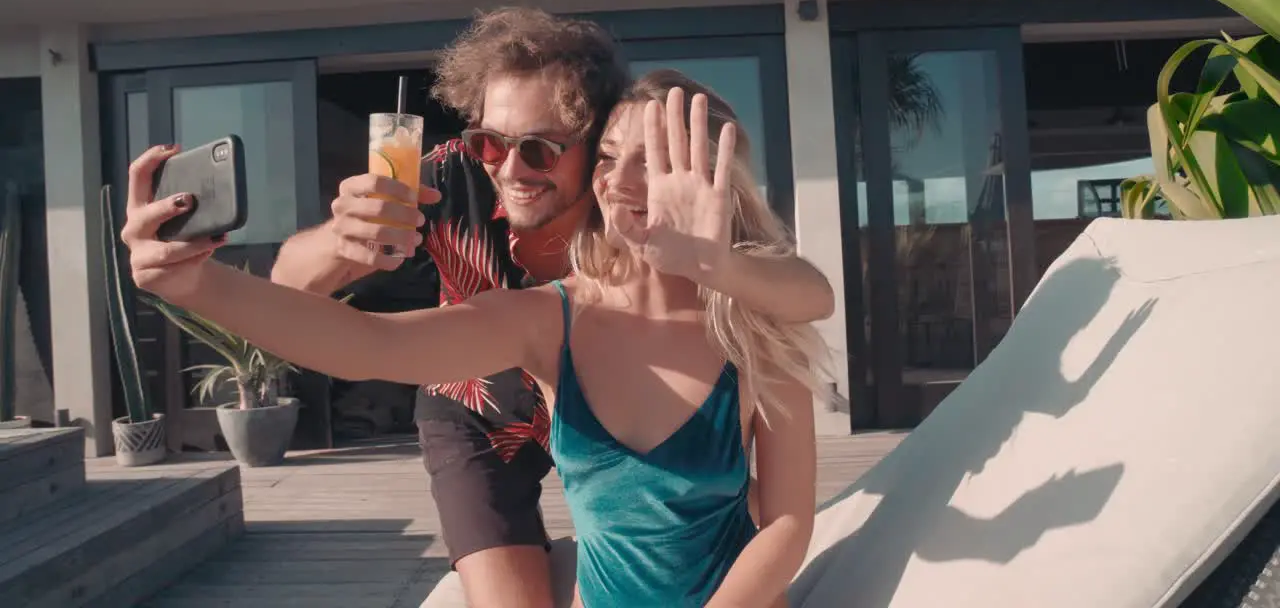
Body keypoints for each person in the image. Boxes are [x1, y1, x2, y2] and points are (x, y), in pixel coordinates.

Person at [122, 70, 833, 607]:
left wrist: (712, 264)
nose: (622, 182)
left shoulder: (751, 323)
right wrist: (196, 285)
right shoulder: (547, 317)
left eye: (655, 158)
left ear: (713, 178)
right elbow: (369, 344)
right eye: (611, 157)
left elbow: (788, 522)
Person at [270, 7, 630, 608]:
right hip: (472, 411)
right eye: (490, 141)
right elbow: (288, 283)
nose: (510, 169)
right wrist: (341, 239)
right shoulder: (440, 177)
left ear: (593, 142)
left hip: (605, 403)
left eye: (540, 149)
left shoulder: (624, 196)